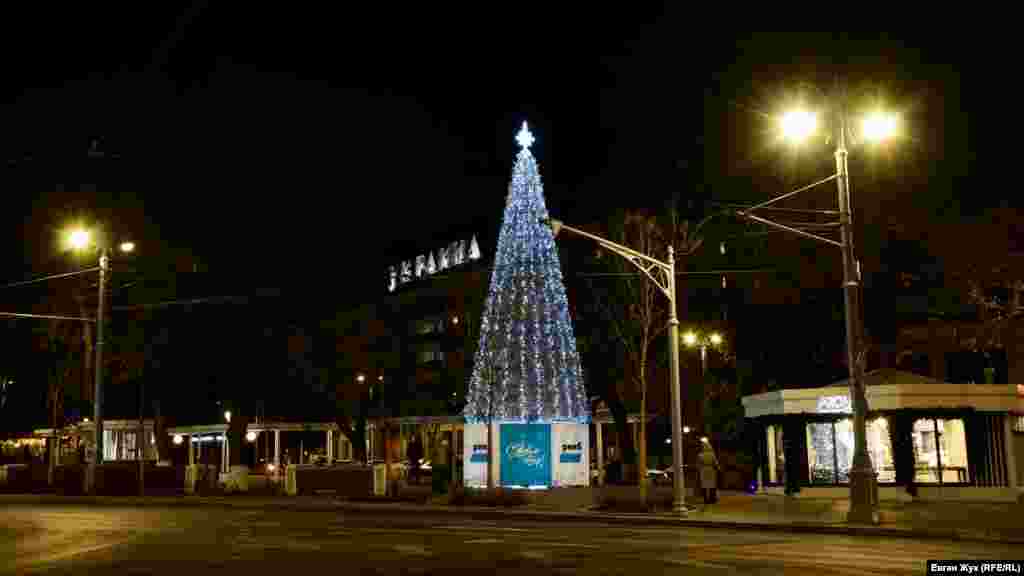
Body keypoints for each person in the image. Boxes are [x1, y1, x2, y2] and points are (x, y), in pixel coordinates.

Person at [698, 437, 720, 504]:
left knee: (704, 486)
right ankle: (712, 499)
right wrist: (718, 468)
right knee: (712, 485)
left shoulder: (700, 455)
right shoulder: (712, 454)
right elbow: (715, 463)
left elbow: (698, 464)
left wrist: (699, 469)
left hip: (703, 471)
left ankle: (705, 499)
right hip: (711, 470)